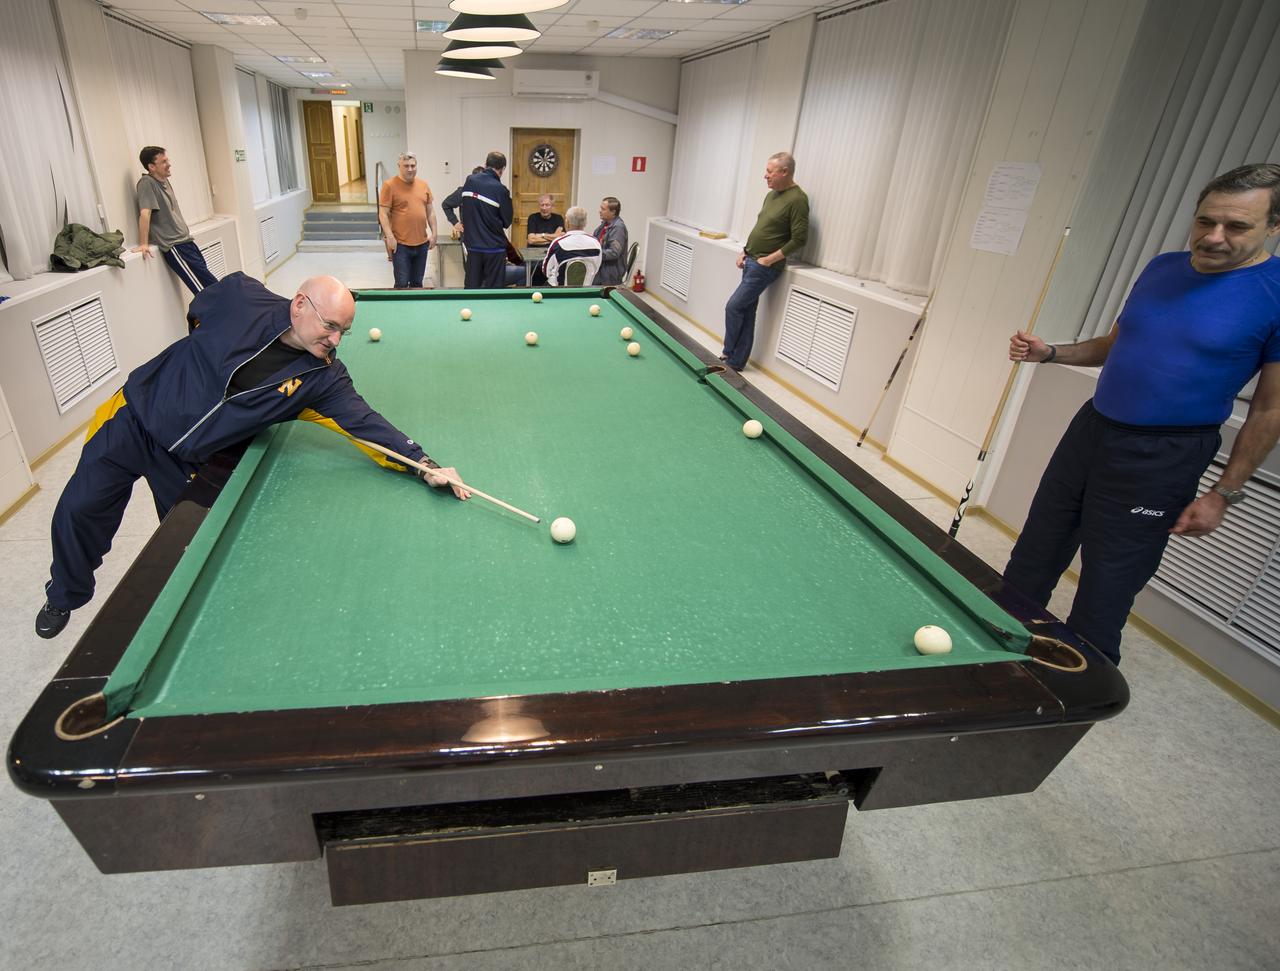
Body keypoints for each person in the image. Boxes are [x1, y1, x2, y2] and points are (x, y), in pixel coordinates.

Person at [35, 273, 468, 639]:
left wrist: (423, 463)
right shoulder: (239, 296)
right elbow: (198, 312)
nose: (336, 340)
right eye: (330, 326)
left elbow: (366, 425)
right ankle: (65, 596)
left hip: (189, 460)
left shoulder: (322, 379)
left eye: (343, 332)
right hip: (133, 415)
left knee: (183, 544)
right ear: (299, 305)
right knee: (79, 509)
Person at [1004, 162, 1280, 665]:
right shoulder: (1161, 267)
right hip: (1093, 429)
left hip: (1165, 453)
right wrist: (1051, 354)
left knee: (1109, 579)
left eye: (1236, 226)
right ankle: (1000, 648)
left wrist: (1224, 494)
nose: (1213, 237)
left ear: (1273, 227)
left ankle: (1080, 682)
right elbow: (1114, 344)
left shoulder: (1274, 291)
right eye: (1205, 221)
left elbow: (1270, 407)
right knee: (1036, 549)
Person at [721, 152, 809, 372]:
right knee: (746, 312)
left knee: (733, 307)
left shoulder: (798, 199)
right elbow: (763, 227)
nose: (765, 176)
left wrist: (768, 260)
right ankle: (737, 363)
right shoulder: (771, 196)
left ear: (784, 172)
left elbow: (799, 239)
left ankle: (728, 355)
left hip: (764, 267)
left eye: (770, 172)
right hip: (751, 260)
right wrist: (745, 251)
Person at [132, 146, 218, 296]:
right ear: (151, 167)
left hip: (187, 242)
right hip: (176, 247)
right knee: (206, 291)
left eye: (167, 160)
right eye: (164, 161)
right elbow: (145, 213)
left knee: (211, 286)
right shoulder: (146, 183)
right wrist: (143, 243)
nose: (169, 164)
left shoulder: (165, 181)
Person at [378, 152, 437, 289]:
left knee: (417, 284)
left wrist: (434, 233)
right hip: (400, 245)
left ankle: (416, 310)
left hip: (422, 244)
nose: (410, 169)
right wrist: (390, 236)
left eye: (413, 165)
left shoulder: (424, 185)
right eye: (406, 166)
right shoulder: (389, 185)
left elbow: (430, 212)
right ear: (399, 166)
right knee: (402, 284)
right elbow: (383, 214)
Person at [459, 152, 514, 289]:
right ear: (502, 169)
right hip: (494, 249)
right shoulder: (501, 190)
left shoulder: (470, 181)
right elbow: (507, 222)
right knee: (493, 292)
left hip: (473, 247)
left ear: (485, 164)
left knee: (472, 289)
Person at [542, 206, 602, 286]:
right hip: (585, 290)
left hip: (558, 291)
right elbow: (596, 269)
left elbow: (546, 270)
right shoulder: (596, 244)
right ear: (585, 223)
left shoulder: (558, 243)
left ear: (567, 222)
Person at [526, 194, 565, 286]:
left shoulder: (558, 218)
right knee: (536, 269)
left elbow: (560, 237)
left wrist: (541, 235)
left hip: (552, 253)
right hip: (534, 255)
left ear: (552, 206)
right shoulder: (533, 218)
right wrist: (552, 237)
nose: (544, 208)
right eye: (542, 205)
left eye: (547, 205)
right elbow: (531, 240)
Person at [592, 197, 629, 286]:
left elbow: (614, 253)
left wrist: (596, 253)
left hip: (610, 272)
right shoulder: (604, 225)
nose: (600, 211)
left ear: (613, 212)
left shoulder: (618, 228)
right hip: (603, 266)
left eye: (603, 209)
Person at [442, 166, 485, 239]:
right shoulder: (464, 192)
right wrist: (455, 223)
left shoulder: (488, 193)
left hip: (484, 236)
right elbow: (446, 204)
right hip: (468, 236)